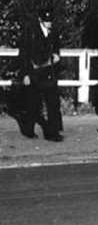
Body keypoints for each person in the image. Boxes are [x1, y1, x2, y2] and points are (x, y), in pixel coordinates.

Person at [18, 9, 63, 141]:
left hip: (49, 73)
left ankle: (53, 133)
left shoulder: (54, 32)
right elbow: (24, 53)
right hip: (35, 72)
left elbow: (57, 48)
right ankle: (29, 130)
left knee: (53, 104)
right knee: (33, 104)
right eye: (46, 21)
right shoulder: (31, 32)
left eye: (50, 20)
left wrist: (56, 55)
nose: (49, 23)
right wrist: (25, 74)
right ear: (40, 20)